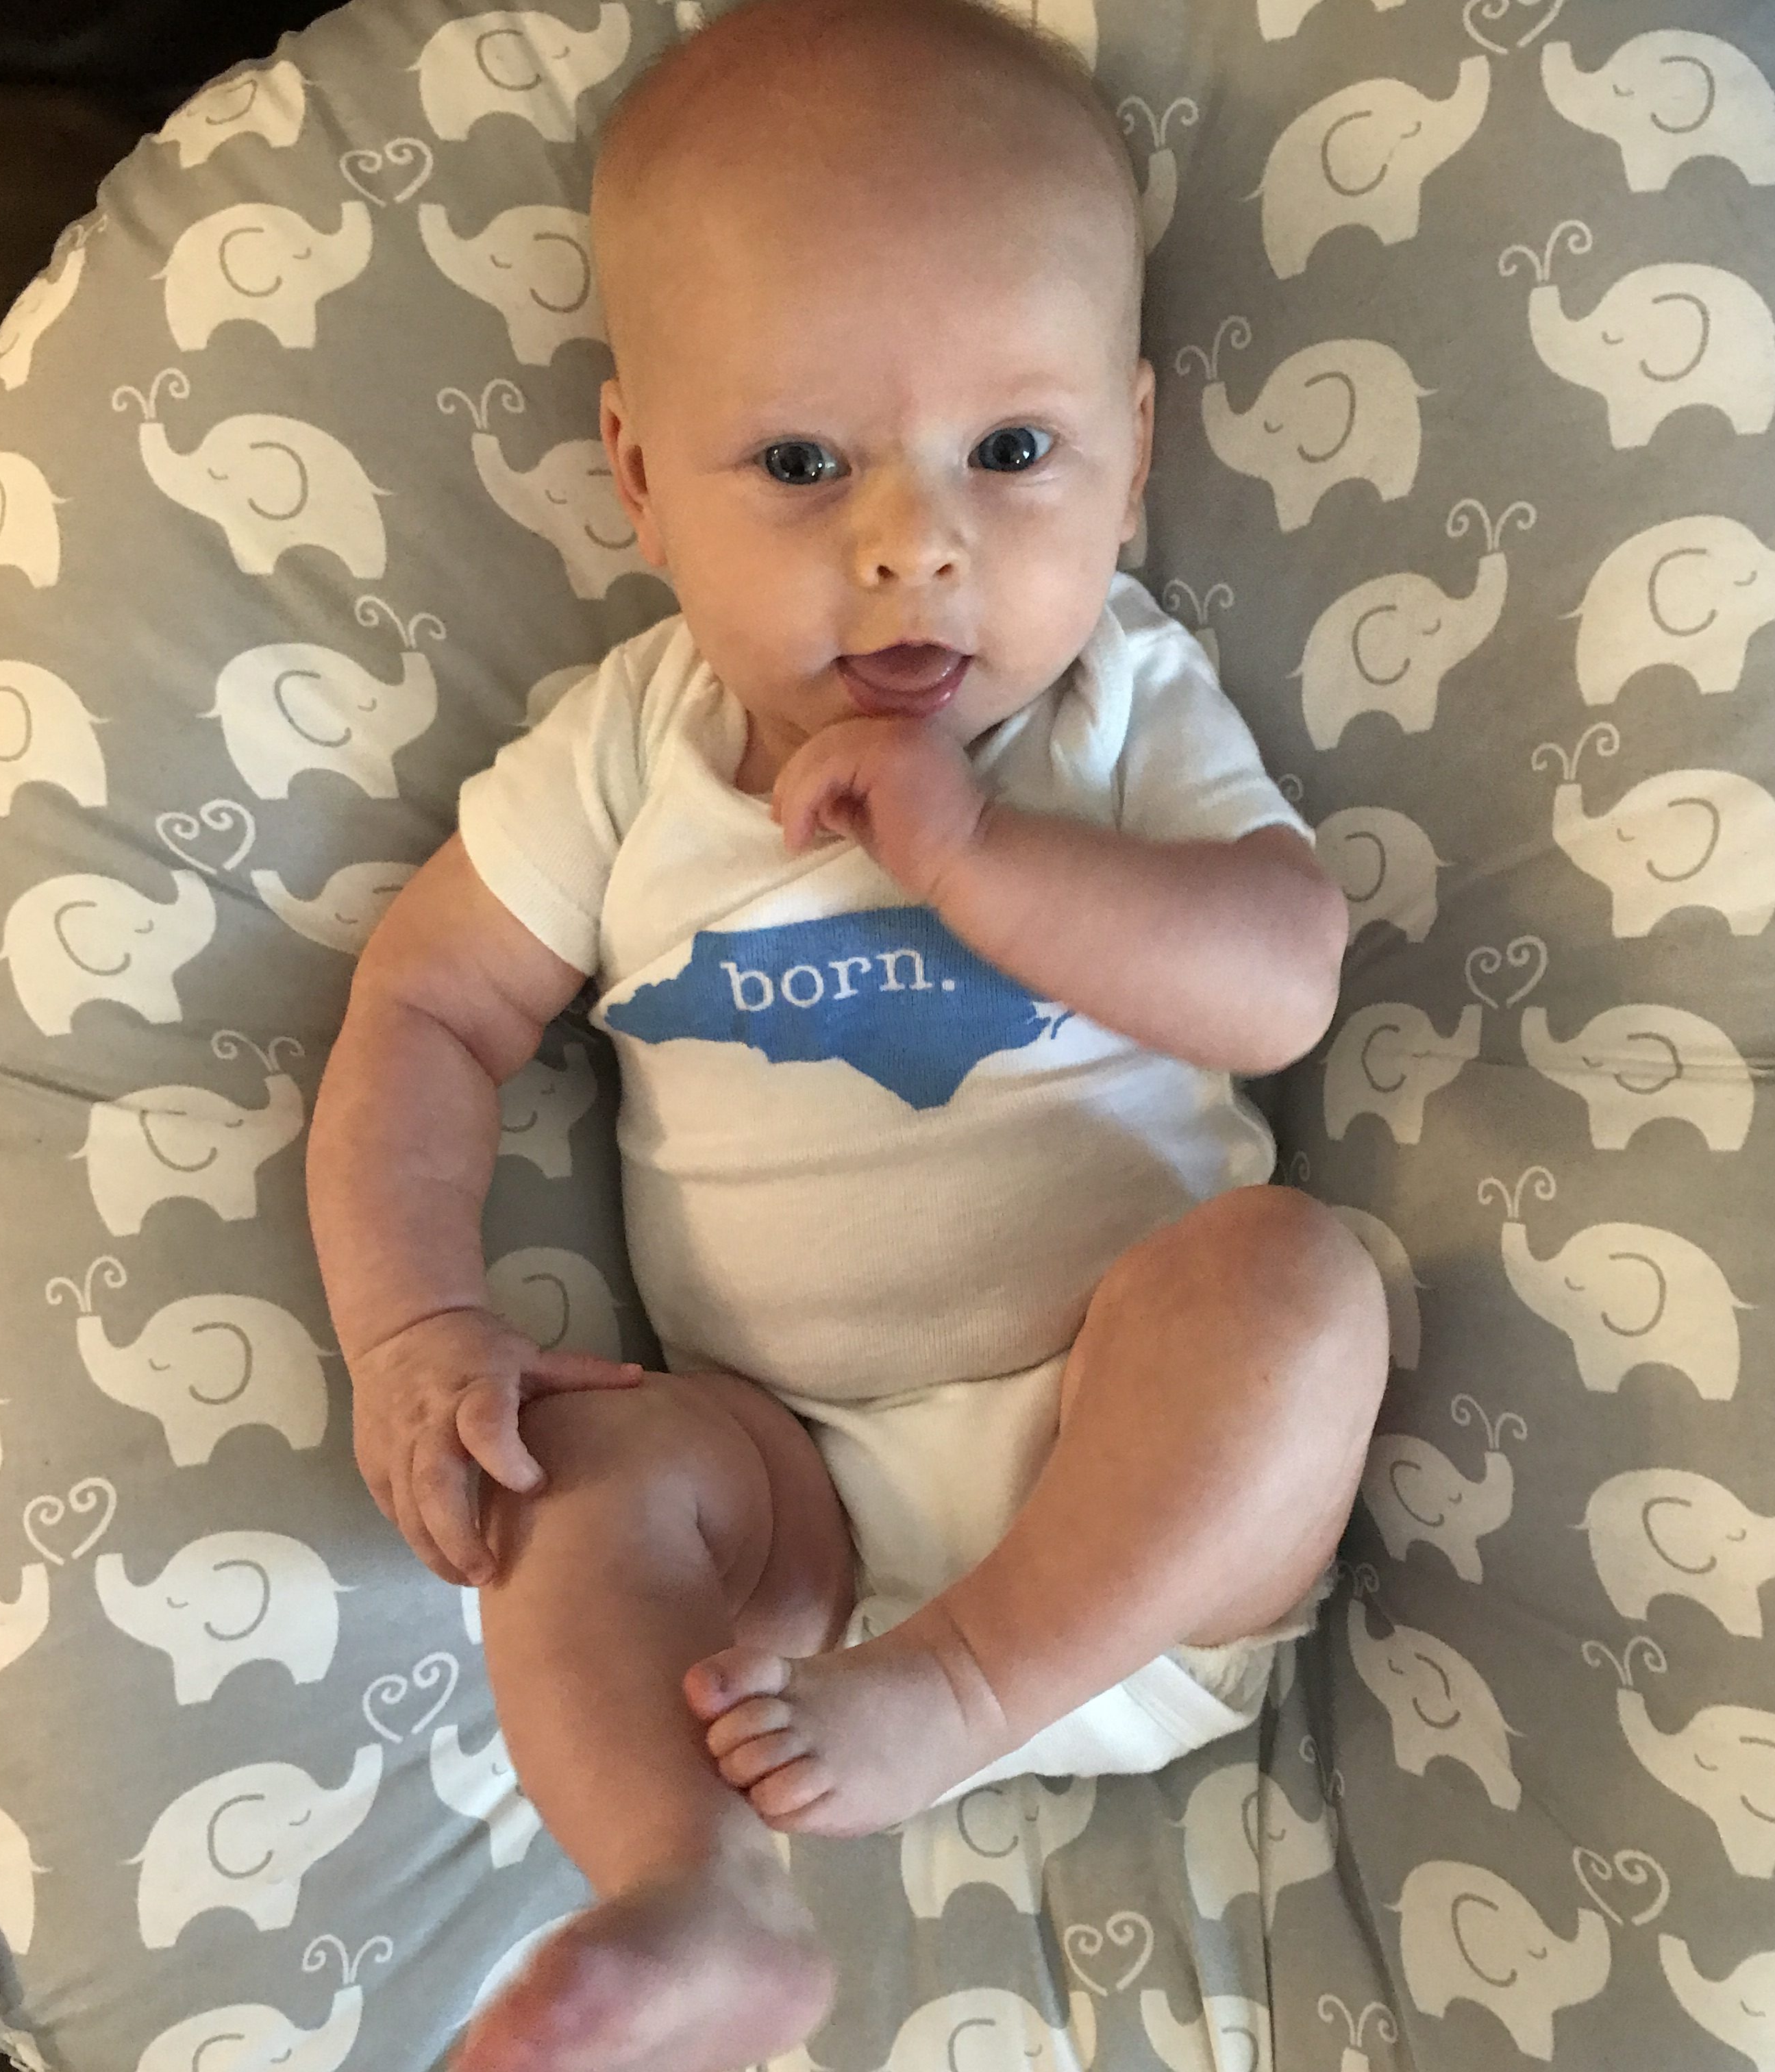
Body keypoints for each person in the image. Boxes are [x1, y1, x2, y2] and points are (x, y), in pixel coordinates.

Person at [304, 0, 1389, 2063]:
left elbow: (1281, 979)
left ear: (1131, 455)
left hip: (1132, 1523)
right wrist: (413, 1324)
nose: (912, 544)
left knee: (1292, 1286)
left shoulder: (1120, 706)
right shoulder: (629, 751)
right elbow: (426, 1007)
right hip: (777, 1517)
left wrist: (978, 856)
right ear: (641, 479)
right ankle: (694, 1891)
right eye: (803, 465)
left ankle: (963, 1690)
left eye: (1013, 453)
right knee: (571, 1475)